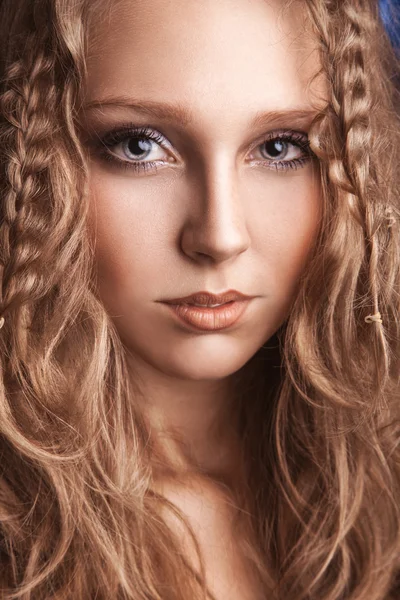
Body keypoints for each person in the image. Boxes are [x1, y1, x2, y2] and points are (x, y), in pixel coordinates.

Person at [0, 0, 399, 598]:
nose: (220, 236)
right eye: (139, 146)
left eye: (279, 148)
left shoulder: (378, 479)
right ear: (32, 163)